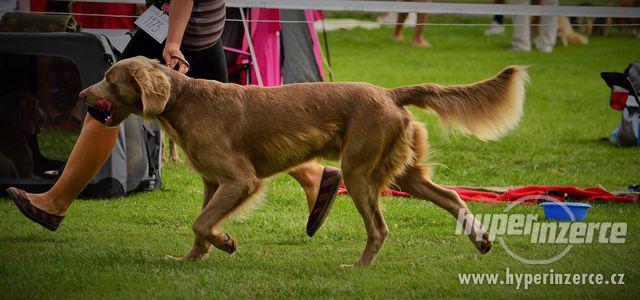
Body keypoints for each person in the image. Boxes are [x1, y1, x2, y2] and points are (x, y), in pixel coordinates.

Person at [7, 0, 342, 238]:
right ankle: (315, 175)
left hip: (181, 25)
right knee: (230, 118)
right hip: (199, 21)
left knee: (105, 104)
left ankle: (56, 201)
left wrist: (174, 41)